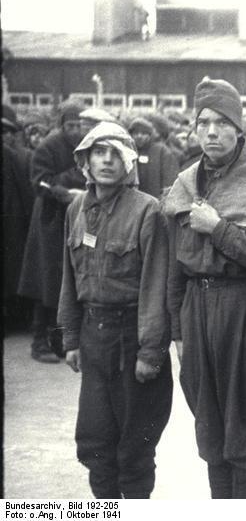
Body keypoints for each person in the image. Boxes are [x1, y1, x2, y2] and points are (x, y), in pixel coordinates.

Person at [163, 78, 246, 499]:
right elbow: (176, 260)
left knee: (241, 424)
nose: (211, 132)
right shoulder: (187, 181)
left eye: (222, 122)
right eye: (203, 122)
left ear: (239, 128)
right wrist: (177, 331)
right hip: (195, 306)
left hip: (239, 304)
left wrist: (218, 228)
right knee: (207, 426)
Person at [58, 121, 172, 499]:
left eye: (115, 154)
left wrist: (150, 352)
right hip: (94, 339)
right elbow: (69, 279)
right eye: (98, 152)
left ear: (128, 163)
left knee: (134, 449)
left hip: (132, 339)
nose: (106, 161)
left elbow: (155, 285)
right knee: (94, 443)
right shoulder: (77, 207)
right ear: (86, 160)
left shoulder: (147, 211)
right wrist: (71, 337)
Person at [18, 100, 87, 363]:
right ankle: (39, 343)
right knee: (47, 281)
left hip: (74, 218)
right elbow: (39, 183)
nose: (75, 129)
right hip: (49, 220)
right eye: (70, 125)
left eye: (79, 124)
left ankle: (60, 342)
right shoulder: (48, 146)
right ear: (61, 125)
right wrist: (66, 188)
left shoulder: (83, 143)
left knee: (67, 282)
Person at [3, 104, 35, 326]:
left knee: (12, 269)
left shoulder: (19, 157)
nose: (4, 136)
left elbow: (25, 192)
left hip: (12, 221)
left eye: (7, 132)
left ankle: (15, 315)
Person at [128, 117, 179, 199]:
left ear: (150, 134)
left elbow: (170, 181)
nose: (139, 136)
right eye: (136, 133)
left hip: (156, 201)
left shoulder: (162, 151)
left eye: (143, 133)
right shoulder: (128, 151)